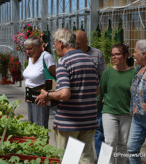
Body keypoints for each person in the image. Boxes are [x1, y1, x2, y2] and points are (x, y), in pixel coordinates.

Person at [36, 28, 98, 164]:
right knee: (86, 158)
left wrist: (48, 95)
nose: (54, 46)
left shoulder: (64, 62)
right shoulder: (90, 60)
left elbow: (65, 93)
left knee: (67, 159)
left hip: (69, 122)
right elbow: (96, 89)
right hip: (89, 119)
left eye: (54, 43)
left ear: (60, 43)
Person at [97, 44, 135, 164]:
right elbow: (100, 93)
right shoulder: (108, 72)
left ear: (125, 55)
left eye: (117, 54)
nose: (114, 57)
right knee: (109, 142)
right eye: (112, 55)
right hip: (109, 112)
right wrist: (94, 110)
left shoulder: (134, 73)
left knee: (123, 144)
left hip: (127, 114)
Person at [76, 30, 107, 159]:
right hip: (78, 102)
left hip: (95, 100)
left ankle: (102, 160)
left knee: (100, 131)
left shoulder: (97, 54)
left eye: (78, 43)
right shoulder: (71, 55)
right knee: (77, 132)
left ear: (86, 41)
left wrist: (103, 96)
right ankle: (78, 160)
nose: (75, 46)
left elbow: (103, 77)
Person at [22, 37, 56, 129]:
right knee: (32, 124)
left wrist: (48, 95)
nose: (28, 52)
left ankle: (42, 143)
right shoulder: (30, 58)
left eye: (30, 49)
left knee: (40, 125)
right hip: (30, 95)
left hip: (41, 97)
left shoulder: (46, 57)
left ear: (39, 47)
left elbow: (54, 76)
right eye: (26, 49)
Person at [127, 40, 146, 164]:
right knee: (132, 150)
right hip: (137, 117)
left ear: (144, 53)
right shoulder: (139, 68)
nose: (133, 54)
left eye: (135, 51)